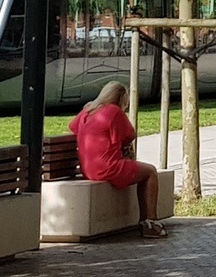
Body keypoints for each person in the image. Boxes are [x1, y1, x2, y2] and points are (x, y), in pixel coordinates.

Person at [70, 80, 166, 237]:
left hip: (88, 169)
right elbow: (130, 135)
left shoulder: (88, 110)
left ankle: (146, 222)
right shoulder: (114, 111)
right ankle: (151, 222)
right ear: (121, 98)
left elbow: (73, 127)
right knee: (150, 171)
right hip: (108, 167)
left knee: (143, 171)